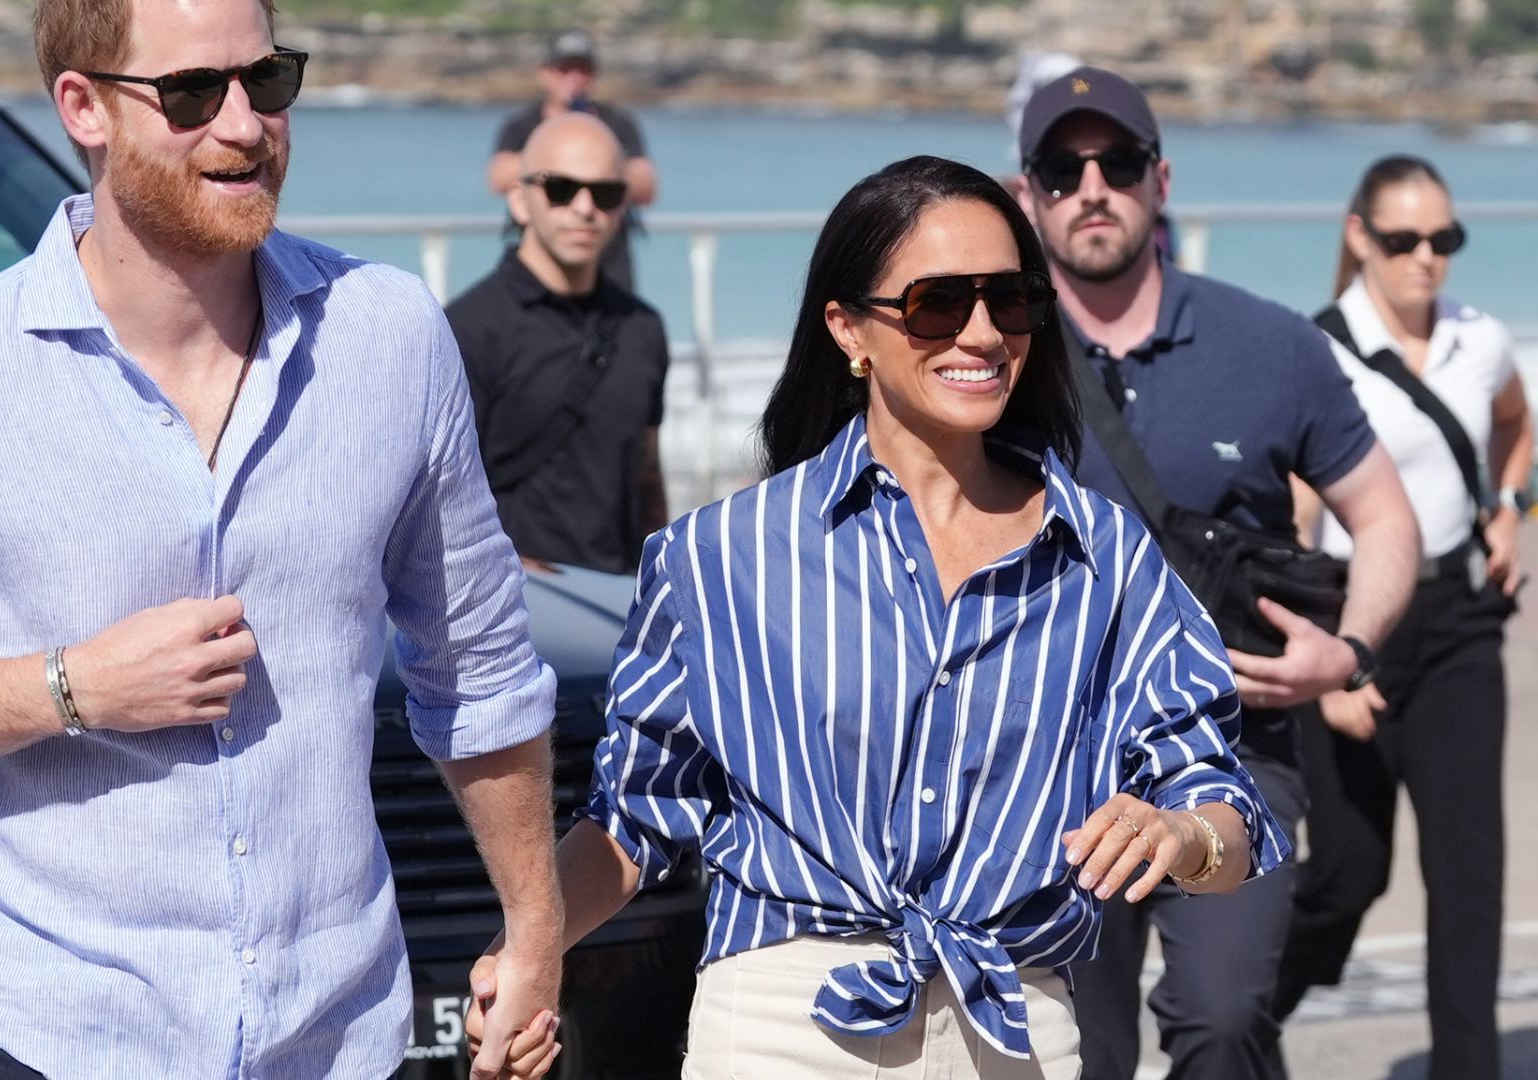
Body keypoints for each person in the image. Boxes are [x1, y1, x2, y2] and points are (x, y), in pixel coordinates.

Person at [0, 0, 564, 1076]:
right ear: (83, 107)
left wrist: (536, 930)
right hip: (47, 1030)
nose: (244, 124)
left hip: (331, 1037)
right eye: (191, 93)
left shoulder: (392, 338)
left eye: (266, 80)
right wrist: (71, 687)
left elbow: (480, 669)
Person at [466, 155, 1290, 1080]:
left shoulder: (1106, 554)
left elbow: (1223, 803)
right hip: (782, 1033)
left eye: (1010, 299)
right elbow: (636, 818)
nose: (983, 333)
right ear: (848, 328)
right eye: (939, 304)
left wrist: (1183, 838)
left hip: (1018, 1031)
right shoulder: (720, 555)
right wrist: (525, 955)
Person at [1009, 68, 1421, 1080]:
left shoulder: (1271, 344)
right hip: (1048, 772)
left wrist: (1347, 654)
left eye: (1119, 163)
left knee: (1223, 1018)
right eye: (1062, 168)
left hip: (1232, 757)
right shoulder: (989, 355)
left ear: (1162, 180)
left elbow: (1384, 517)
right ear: (1027, 194)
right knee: (1079, 1053)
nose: (1092, 187)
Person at [1273, 154, 1530, 1080]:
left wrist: (1510, 508)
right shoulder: (1321, 351)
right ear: (1360, 236)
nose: (1427, 256)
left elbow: (1514, 423)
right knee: (1349, 872)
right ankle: (1238, 1021)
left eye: (1444, 238)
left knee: (1469, 874)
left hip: (1460, 617)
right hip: (1353, 616)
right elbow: (1294, 520)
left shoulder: (1479, 337)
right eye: (1404, 239)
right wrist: (1332, 664)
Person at [448, 112, 669, 575]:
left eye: (606, 194)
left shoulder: (643, 328)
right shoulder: (466, 328)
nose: (585, 208)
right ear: (520, 200)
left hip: (621, 595)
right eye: (561, 189)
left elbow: (646, 475)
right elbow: (437, 493)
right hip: (512, 597)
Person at [487, 29, 657, 291]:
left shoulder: (618, 123)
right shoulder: (521, 125)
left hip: (609, 259)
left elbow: (646, 186)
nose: (574, 78)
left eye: (583, 70)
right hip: (541, 256)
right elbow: (498, 178)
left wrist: (592, 151)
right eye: (564, 69)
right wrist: (563, 148)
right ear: (545, 73)